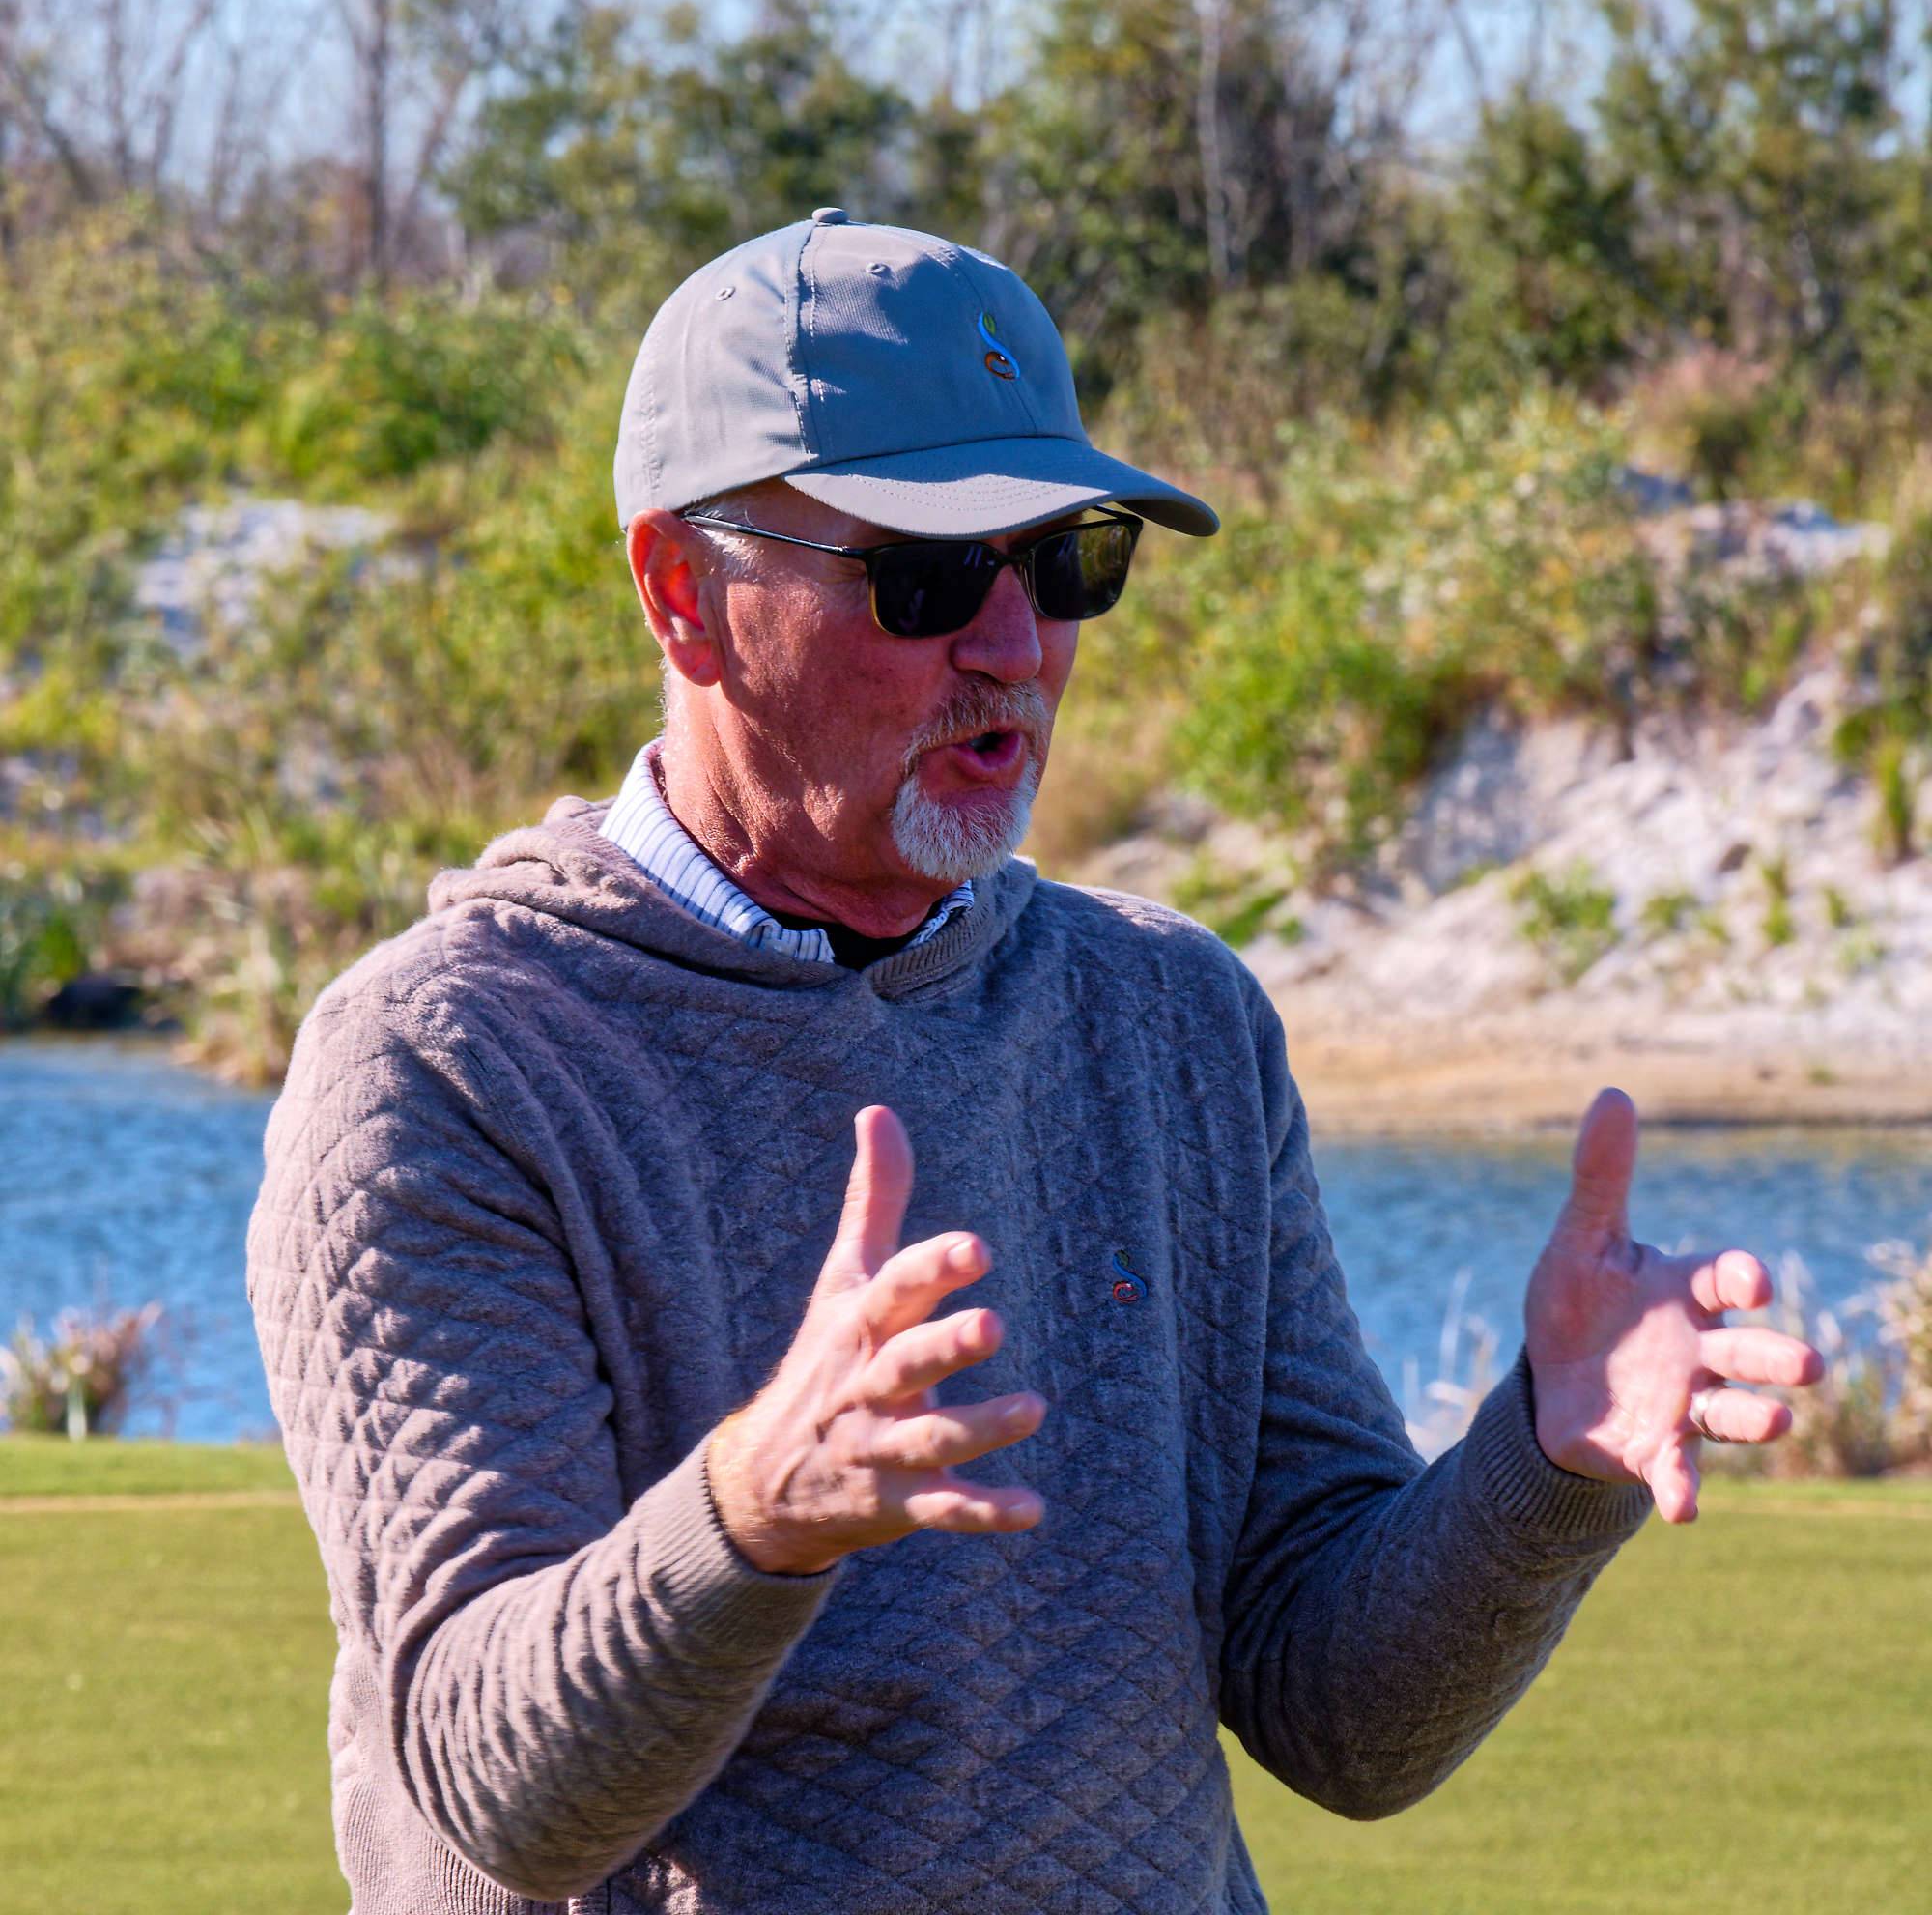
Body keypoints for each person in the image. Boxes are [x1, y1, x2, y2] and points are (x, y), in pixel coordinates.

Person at [245, 211, 1821, 1915]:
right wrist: (754, 1513)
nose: (1016, 645)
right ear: (685, 595)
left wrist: (1545, 1456)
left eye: (1065, 560)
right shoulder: (443, 1063)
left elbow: (1345, 1716)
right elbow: (496, 1794)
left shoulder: (1172, 1018)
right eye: (925, 577)